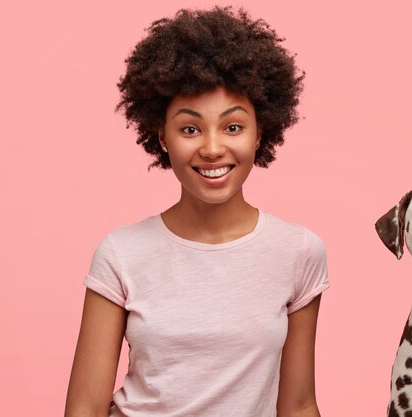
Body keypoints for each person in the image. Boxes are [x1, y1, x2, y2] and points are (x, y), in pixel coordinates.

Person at [64, 7, 329, 417]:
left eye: (233, 126)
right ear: (162, 137)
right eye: (190, 128)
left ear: (261, 133)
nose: (211, 148)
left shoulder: (298, 252)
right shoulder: (120, 253)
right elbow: (84, 407)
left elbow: (298, 405)